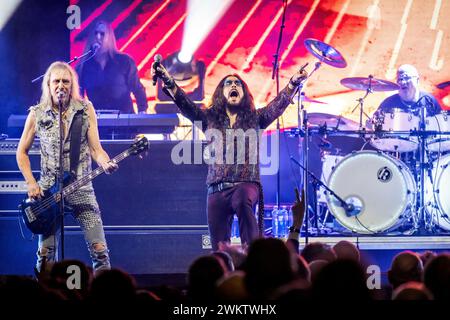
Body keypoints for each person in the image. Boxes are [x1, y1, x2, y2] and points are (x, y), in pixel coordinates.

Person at [152, 63, 308, 251]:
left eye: (238, 84)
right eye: (228, 83)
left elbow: (276, 106)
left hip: (246, 184)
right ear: (221, 93)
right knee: (219, 248)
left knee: (242, 201)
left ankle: (252, 257)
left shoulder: (255, 118)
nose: (233, 85)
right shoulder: (208, 118)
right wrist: (168, 81)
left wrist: (292, 83)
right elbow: (186, 105)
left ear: (244, 93)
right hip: (216, 188)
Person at [16, 61, 118, 274]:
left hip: (81, 190)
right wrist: (31, 183)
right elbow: (21, 152)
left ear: (72, 85)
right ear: (48, 85)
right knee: (45, 254)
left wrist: (105, 161)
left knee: (99, 249)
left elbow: (96, 148)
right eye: (56, 81)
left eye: (65, 81)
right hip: (48, 194)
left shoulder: (85, 109)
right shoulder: (37, 113)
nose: (61, 86)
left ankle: (106, 294)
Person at [77, 20, 147, 113]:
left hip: (124, 119)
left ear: (109, 38)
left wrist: (142, 112)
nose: (98, 37)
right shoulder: (84, 66)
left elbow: (138, 89)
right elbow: (77, 96)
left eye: (102, 34)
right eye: (95, 33)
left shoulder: (124, 61)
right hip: (98, 121)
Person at [377, 64, 442, 117]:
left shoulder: (429, 100)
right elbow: (373, 125)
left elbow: (441, 124)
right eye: (399, 79)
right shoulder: (388, 103)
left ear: (417, 80)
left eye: (406, 78)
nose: (402, 82)